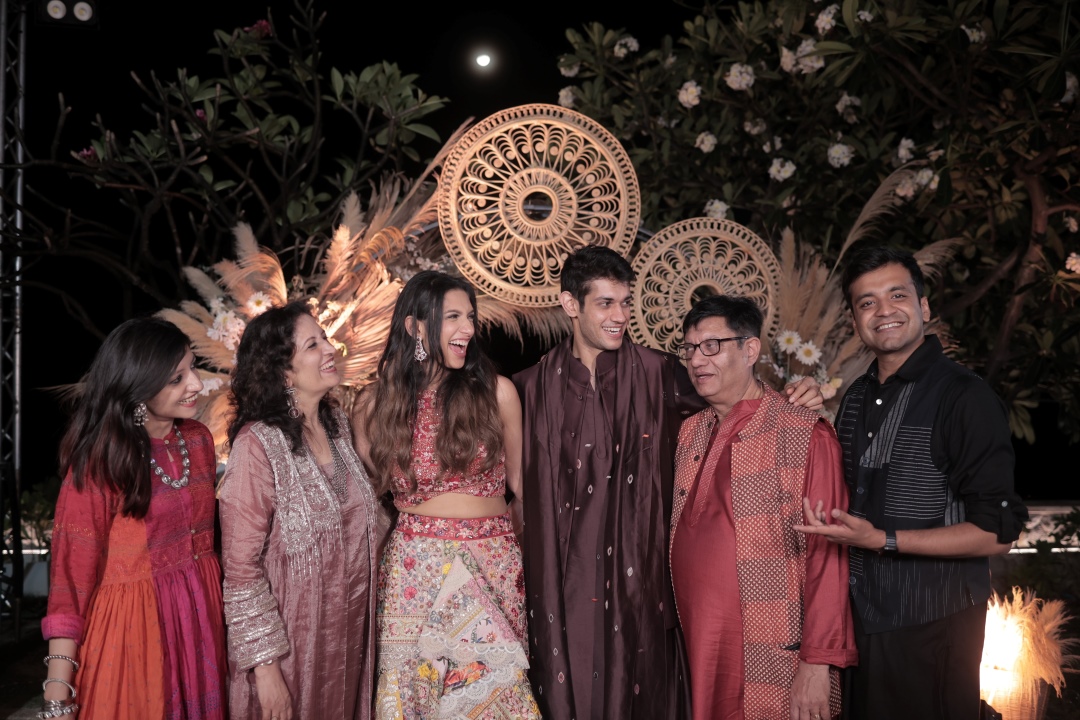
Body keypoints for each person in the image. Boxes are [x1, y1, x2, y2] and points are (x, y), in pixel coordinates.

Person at [513, 244, 823, 720]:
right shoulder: (527, 389)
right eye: (606, 303)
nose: (620, 316)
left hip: (640, 590)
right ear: (570, 305)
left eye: (625, 302)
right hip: (560, 589)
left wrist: (798, 399)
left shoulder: (662, 374)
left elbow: (739, 405)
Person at [795, 246, 1028, 720]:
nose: (883, 311)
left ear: (923, 308)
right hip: (862, 623)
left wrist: (883, 540)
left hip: (933, 625)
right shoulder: (857, 396)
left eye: (896, 296)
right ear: (856, 322)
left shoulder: (965, 397)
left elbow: (997, 532)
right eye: (866, 302)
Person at [353, 271, 539, 719]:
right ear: (415, 326)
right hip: (414, 572)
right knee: (413, 694)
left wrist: (499, 542)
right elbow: (374, 493)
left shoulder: (498, 393)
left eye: (470, 317)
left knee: (494, 698)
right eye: (453, 316)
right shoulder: (373, 404)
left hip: (490, 564)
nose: (469, 329)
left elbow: (526, 490)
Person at [670, 295, 857, 720]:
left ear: (750, 349)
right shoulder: (689, 433)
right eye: (690, 348)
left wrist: (816, 662)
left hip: (769, 649)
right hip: (694, 647)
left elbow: (828, 558)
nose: (698, 359)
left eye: (712, 345)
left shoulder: (804, 433)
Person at [41, 317, 227, 720]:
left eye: (192, 368)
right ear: (139, 386)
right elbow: (70, 581)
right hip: (131, 638)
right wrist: (58, 692)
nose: (196, 384)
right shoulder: (100, 461)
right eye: (177, 378)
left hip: (201, 629)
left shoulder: (197, 440)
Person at [219, 301, 380, 720]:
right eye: (313, 344)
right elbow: (240, 570)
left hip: (351, 644)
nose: (331, 349)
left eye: (325, 337)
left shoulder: (339, 427)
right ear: (283, 372)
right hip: (290, 653)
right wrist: (266, 669)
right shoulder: (257, 446)